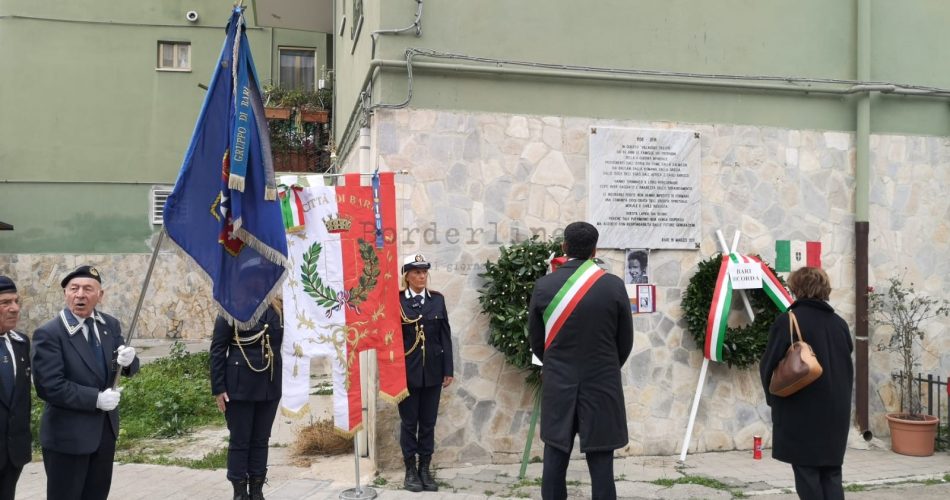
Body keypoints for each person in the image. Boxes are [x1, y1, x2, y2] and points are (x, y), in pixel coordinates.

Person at [528, 222, 634, 500]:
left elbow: (537, 342)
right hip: (602, 385)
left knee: (554, 459)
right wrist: (606, 368)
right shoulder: (613, 286)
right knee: (601, 465)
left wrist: (555, 366)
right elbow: (625, 342)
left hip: (558, 384)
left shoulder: (544, 286)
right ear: (594, 250)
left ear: (564, 246)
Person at [32, 265, 139, 500]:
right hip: (67, 437)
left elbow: (123, 366)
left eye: (88, 289)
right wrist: (96, 399)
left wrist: (129, 361)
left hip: (104, 433)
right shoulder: (50, 333)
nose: (80, 294)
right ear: (65, 293)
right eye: (74, 288)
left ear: (100, 295)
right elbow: (49, 386)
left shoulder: (109, 325)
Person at [759, 267, 853, 500]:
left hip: (801, 410)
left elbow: (768, 366)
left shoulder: (788, 321)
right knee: (832, 473)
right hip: (836, 411)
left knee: (807, 473)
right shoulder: (839, 323)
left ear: (796, 288)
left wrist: (773, 400)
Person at [210, 298, 283, 500]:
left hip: (269, 384)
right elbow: (218, 349)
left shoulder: (278, 307)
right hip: (239, 386)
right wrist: (218, 388)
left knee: (261, 439)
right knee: (240, 440)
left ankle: (257, 492)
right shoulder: (230, 307)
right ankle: (240, 493)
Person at [398, 253, 454, 492]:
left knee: (428, 423)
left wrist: (448, 369)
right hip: (406, 373)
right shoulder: (398, 301)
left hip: (432, 371)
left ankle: (425, 469)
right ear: (407, 276)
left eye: (424, 272)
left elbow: (445, 336)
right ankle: (410, 470)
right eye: (417, 272)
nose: (422, 276)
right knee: (409, 423)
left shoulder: (437, 300)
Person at [0, 277, 30, 500]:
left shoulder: (21, 343)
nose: (15, 308)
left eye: (16, 301)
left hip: (13, 452)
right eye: (5, 303)